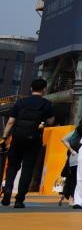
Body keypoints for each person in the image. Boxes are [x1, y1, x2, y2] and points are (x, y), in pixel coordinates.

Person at [1, 78, 55, 208]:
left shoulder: (20, 102)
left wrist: (4, 137)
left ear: (31, 88)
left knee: (12, 166)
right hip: (34, 139)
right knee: (27, 169)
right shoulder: (47, 104)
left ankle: (7, 190)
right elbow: (50, 122)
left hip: (17, 138)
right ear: (44, 89)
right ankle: (19, 200)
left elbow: (11, 122)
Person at [58, 118, 82, 206]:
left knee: (71, 177)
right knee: (76, 179)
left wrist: (71, 150)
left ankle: (64, 195)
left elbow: (63, 139)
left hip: (73, 156)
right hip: (79, 157)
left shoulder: (75, 131)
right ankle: (72, 198)